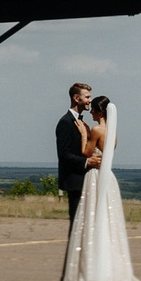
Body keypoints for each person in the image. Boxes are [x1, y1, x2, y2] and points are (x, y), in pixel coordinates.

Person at [58, 94, 141, 281]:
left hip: (96, 177)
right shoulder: (113, 132)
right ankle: (111, 268)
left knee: (92, 219)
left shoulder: (97, 130)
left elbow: (86, 152)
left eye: (93, 110)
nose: (90, 112)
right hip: (109, 178)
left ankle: (93, 269)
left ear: (99, 112)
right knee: (109, 221)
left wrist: (84, 133)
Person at [55, 83, 94, 222]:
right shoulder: (65, 122)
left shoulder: (82, 123)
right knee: (76, 221)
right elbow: (64, 154)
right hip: (74, 181)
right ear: (76, 98)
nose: (90, 100)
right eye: (87, 97)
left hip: (84, 179)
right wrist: (87, 162)